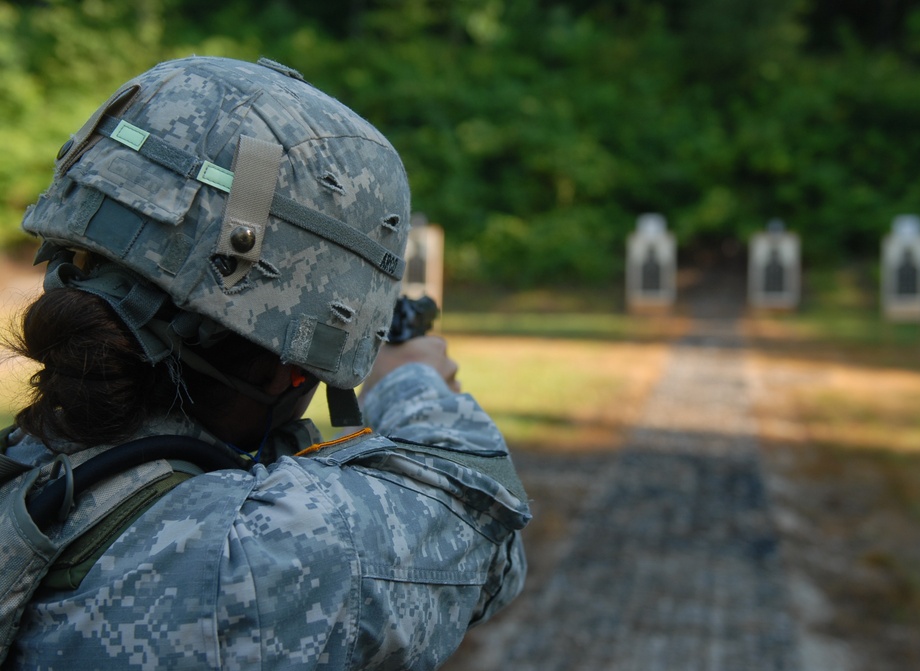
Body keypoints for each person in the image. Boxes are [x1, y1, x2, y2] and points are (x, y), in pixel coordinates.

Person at [0, 56, 529, 669]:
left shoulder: (28, 469)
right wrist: (412, 380)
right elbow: (483, 532)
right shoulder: (247, 561)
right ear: (290, 367)